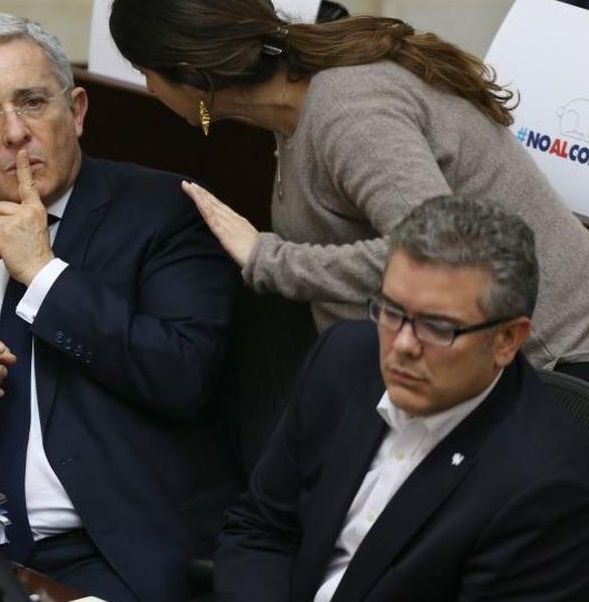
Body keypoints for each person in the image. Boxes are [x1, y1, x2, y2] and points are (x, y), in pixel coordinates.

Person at [0, 12, 239, 602]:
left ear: (76, 111)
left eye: (32, 103)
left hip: (110, 551)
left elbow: (182, 374)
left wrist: (43, 274)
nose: (15, 133)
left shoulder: (163, 212)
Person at [108, 0, 589, 376]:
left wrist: (266, 259)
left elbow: (442, 255)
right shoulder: (291, 110)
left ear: (191, 72)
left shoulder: (348, 110)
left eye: (145, 72)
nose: (149, 89)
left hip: (554, 366)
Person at [213, 195, 589, 602]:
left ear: (506, 340)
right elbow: (263, 528)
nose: (403, 345)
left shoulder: (545, 486)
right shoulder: (343, 360)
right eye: (391, 311)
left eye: (437, 326)